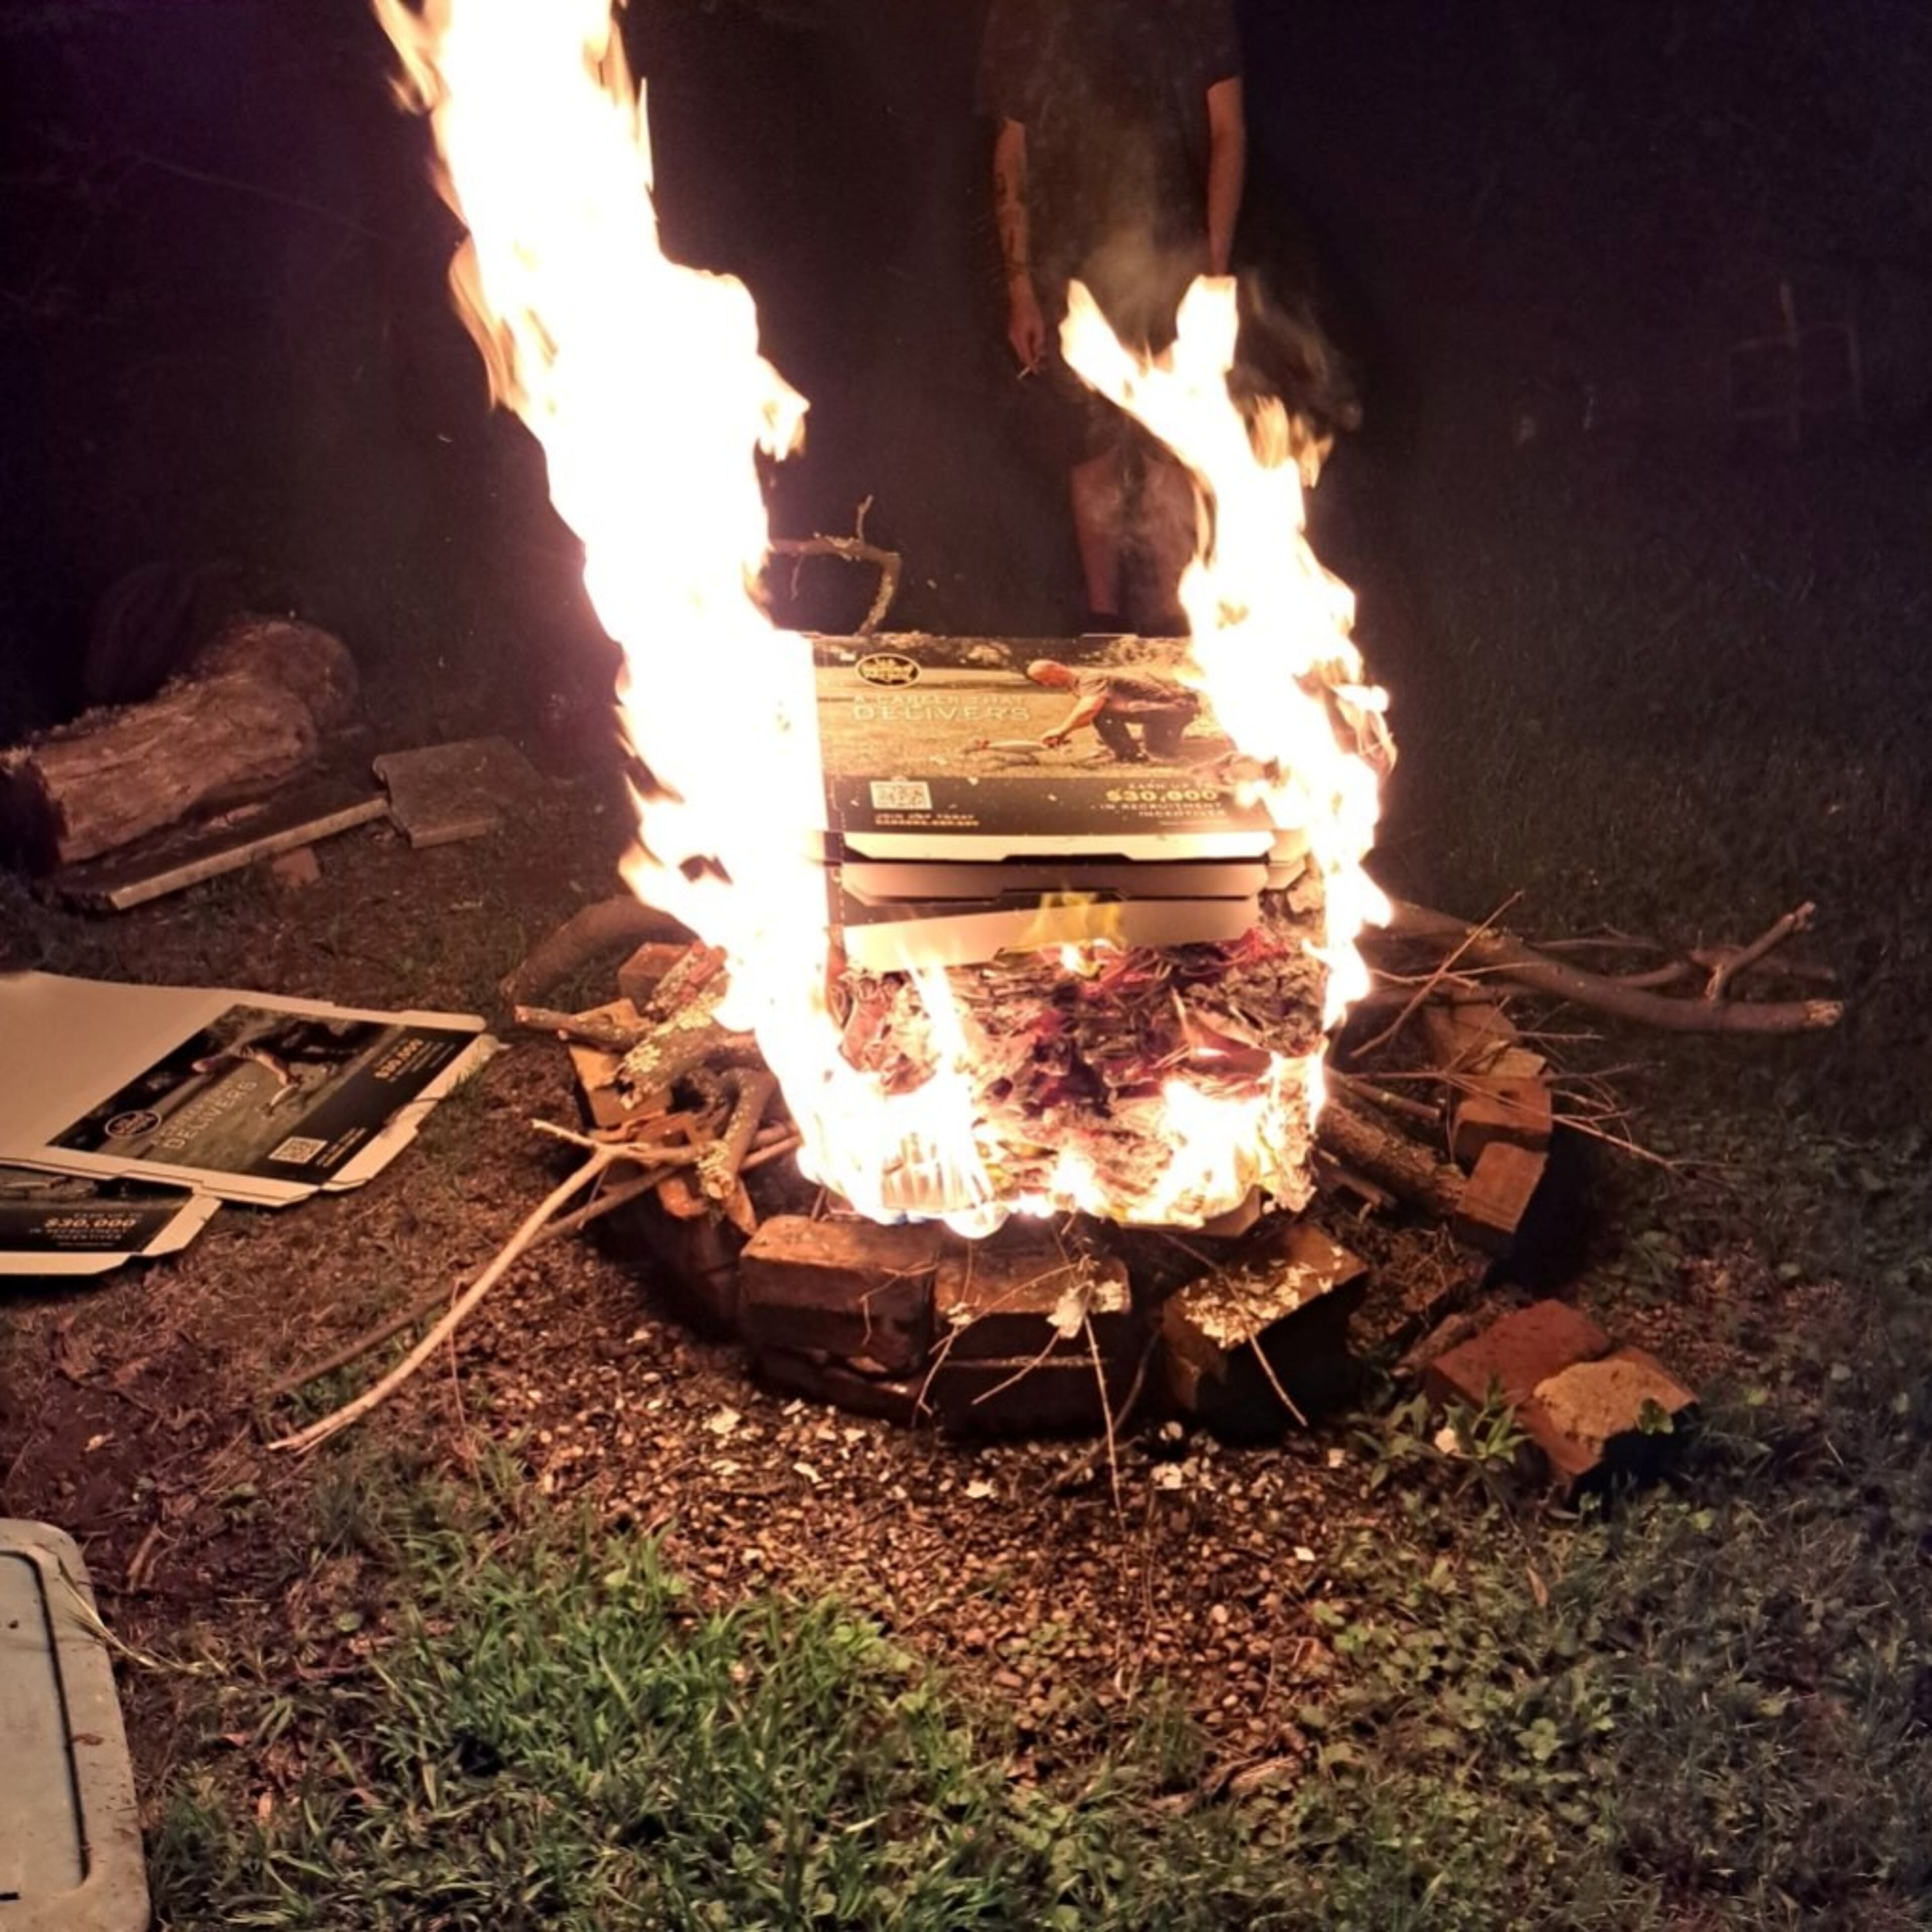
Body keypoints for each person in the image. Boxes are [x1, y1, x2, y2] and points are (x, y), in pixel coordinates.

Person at [980, 0, 1246, 634]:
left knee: (1170, 446)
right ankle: (1102, 619)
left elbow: (1228, 131)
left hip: (1172, 258)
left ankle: (1177, 623)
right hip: (1069, 270)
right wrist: (1020, 287)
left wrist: (1212, 266)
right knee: (1088, 448)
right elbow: (1012, 151)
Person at [1026, 656, 1201, 762]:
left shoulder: (1089, 679)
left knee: (1159, 754)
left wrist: (1061, 731)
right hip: (1161, 711)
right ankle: (1128, 753)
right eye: (1042, 682)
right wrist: (1064, 733)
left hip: (1175, 710)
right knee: (1107, 713)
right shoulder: (1079, 682)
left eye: (1046, 679)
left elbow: (1089, 710)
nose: (1046, 684)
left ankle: (1135, 752)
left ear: (1057, 668)